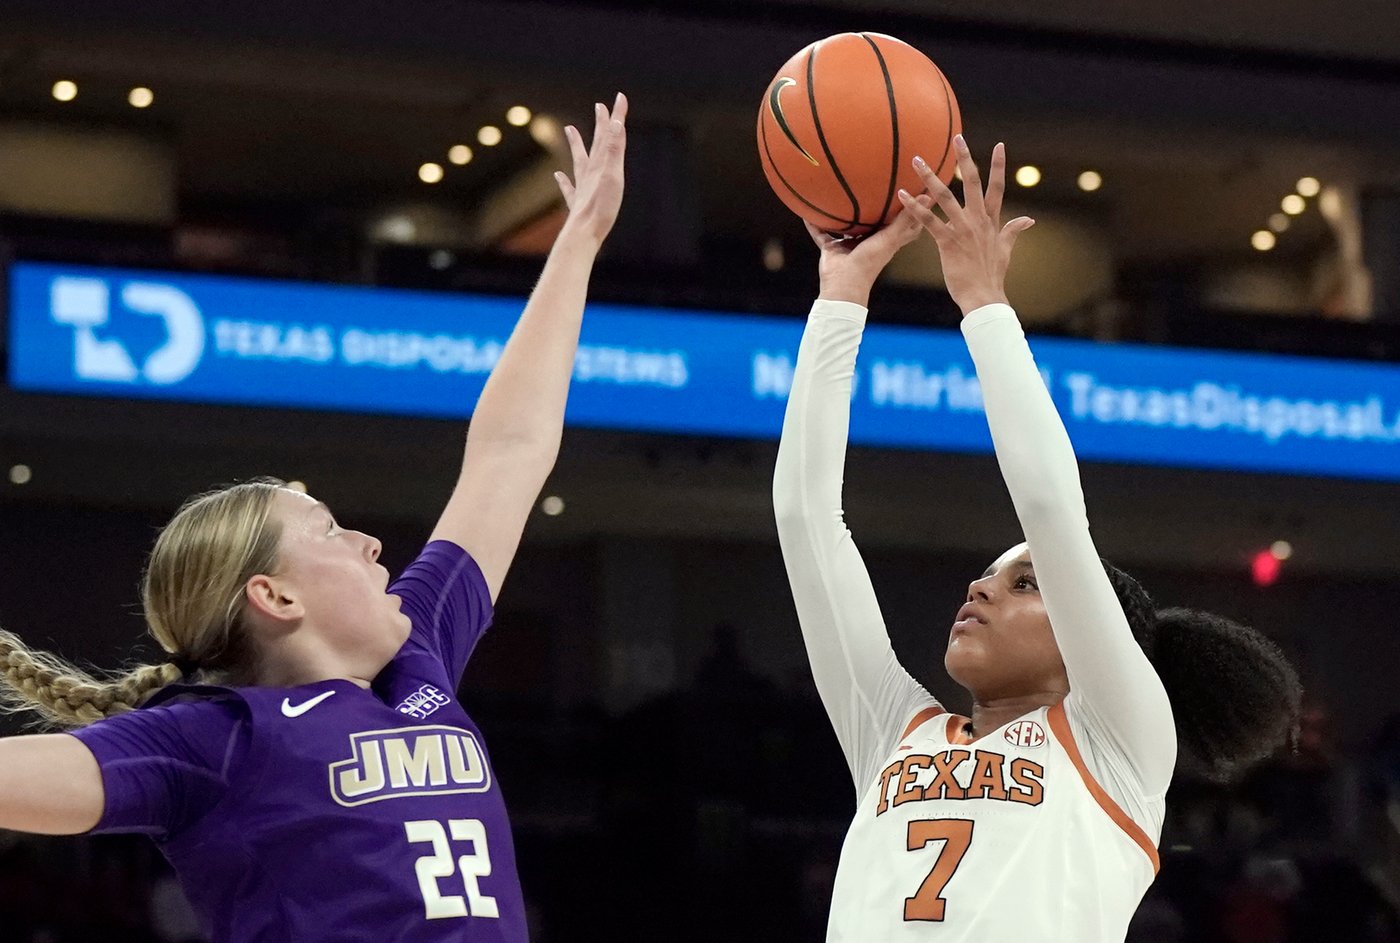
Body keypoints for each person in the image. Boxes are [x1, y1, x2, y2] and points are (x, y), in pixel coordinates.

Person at [0, 93, 629, 943]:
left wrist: (578, 242)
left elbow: (510, 451)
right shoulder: (214, 741)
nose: (373, 542)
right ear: (275, 595)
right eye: (331, 530)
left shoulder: (419, 656)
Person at [772, 135, 1302, 941]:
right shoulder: (892, 730)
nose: (979, 588)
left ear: (1092, 638)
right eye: (990, 575)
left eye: (1023, 582)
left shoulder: (1119, 737)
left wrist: (984, 304)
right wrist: (841, 295)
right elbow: (807, 521)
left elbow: (1052, 511)